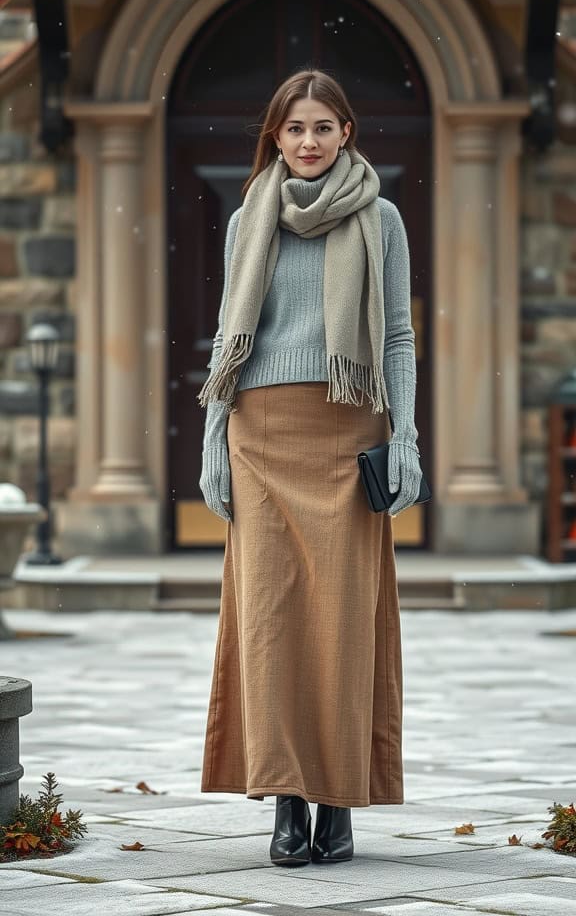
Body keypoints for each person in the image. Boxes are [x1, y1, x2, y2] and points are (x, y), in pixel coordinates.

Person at [197, 68, 423, 866]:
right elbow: (230, 337)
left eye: (323, 127)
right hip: (260, 436)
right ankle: (287, 799)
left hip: (346, 432)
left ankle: (339, 801)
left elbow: (396, 336)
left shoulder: (381, 217)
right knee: (272, 621)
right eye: (295, 129)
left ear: (347, 133)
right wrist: (212, 441)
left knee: (342, 623)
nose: (308, 142)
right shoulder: (247, 219)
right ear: (275, 136)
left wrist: (406, 439)